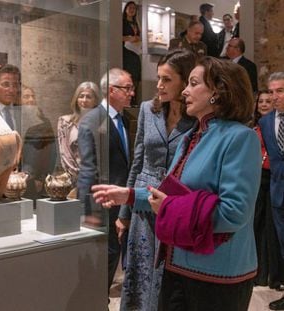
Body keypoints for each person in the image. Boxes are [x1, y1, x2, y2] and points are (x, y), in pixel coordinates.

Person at [93, 57, 261, 311]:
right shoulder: (193, 136)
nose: (184, 91)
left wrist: (170, 208)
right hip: (177, 264)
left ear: (218, 91)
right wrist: (127, 195)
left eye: (193, 83)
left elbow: (235, 213)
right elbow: (167, 194)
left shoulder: (241, 138)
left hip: (217, 273)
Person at [118, 49, 196, 311]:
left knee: (166, 274)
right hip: (142, 203)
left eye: (167, 79)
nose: (159, 85)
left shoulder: (196, 118)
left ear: (184, 82)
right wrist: (124, 213)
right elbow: (137, 160)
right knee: (139, 271)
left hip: (173, 203)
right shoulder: (146, 110)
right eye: (158, 78)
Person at [77, 68, 132, 295]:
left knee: (115, 256)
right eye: (127, 88)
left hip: (124, 201)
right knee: (105, 258)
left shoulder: (125, 119)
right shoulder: (91, 120)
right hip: (104, 204)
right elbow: (88, 169)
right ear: (111, 90)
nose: (132, 93)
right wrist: (87, 209)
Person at [0, 64, 56, 202]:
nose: (11, 89)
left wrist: (31, 175)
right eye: (5, 84)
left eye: (15, 85)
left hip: (24, 185)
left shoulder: (25, 112)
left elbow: (40, 147)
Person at [253, 90, 284, 291]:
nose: (264, 104)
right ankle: (259, 274)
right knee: (257, 227)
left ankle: (275, 276)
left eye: (268, 100)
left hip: (274, 178)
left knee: (273, 231)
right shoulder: (256, 125)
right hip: (257, 180)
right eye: (261, 101)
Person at [260, 72, 284, 310]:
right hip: (278, 194)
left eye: (280, 91)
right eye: (272, 91)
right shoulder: (265, 123)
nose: (275, 96)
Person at [57, 81, 100, 199]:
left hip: (95, 179)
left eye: (89, 97)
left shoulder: (102, 124)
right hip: (71, 178)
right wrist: (78, 175)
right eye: (81, 96)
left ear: (96, 100)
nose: (84, 100)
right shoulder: (65, 122)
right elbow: (64, 152)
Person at [122, 1, 141, 106]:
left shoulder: (136, 23)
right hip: (126, 51)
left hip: (135, 52)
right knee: (128, 74)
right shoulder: (122, 22)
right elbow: (117, 35)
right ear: (125, 9)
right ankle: (126, 100)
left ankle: (133, 100)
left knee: (136, 75)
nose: (132, 9)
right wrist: (129, 38)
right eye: (130, 7)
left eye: (134, 8)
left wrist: (138, 38)